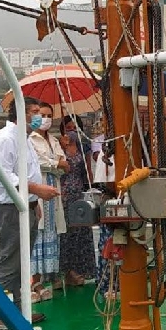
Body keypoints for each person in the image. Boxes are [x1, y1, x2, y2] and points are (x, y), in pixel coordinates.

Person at [0, 96, 60, 323]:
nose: (39, 117)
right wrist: (37, 191)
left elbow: (26, 174)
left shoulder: (23, 138)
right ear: (20, 113)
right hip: (10, 210)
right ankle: (2, 314)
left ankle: (19, 311)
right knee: (9, 263)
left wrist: (33, 202)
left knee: (22, 262)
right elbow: (5, 176)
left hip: (24, 206)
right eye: (35, 111)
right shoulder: (5, 140)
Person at [28, 102, 70, 300]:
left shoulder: (54, 140)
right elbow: (38, 162)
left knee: (52, 232)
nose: (45, 119)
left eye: (48, 115)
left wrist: (56, 164)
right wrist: (56, 163)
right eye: (41, 114)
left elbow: (64, 164)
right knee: (38, 233)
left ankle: (49, 276)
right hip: (39, 188)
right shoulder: (30, 139)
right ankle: (34, 281)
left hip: (54, 189)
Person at [58, 120, 96, 286]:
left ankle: (82, 270)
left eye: (75, 128)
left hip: (79, 193)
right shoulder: (57, 146)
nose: (72, 131)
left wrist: (91, 189)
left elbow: (87, 169)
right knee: (67, 235)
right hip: (63, 194)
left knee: (82, 232)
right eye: (68, 128)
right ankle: (67, 272)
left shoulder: (82, 145)